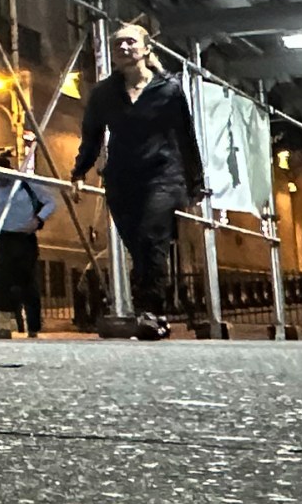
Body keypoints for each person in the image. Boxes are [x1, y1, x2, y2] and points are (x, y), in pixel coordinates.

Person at [70, 19, 204, 341]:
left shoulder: (168, 89)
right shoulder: (104, 93)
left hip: (163, 175)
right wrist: (79, 171)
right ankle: (150, 306)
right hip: (121, 178)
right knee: (138, 246)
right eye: (118, 44)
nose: (124, 47)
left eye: (130, 42)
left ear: (146, 49)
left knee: (151, 238)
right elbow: (92, 136)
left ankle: (150, 311)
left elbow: (186, 136)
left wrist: (195, 183)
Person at [0, 152, 58, 337]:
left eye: (3, 178)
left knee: (28, 282)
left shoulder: (25, 183)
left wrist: (38, 220)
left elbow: (51, 202)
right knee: (0, 281)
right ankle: (3, 325)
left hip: (24, 237)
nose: (1, 182)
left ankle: (33, 327)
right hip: (2, 236)